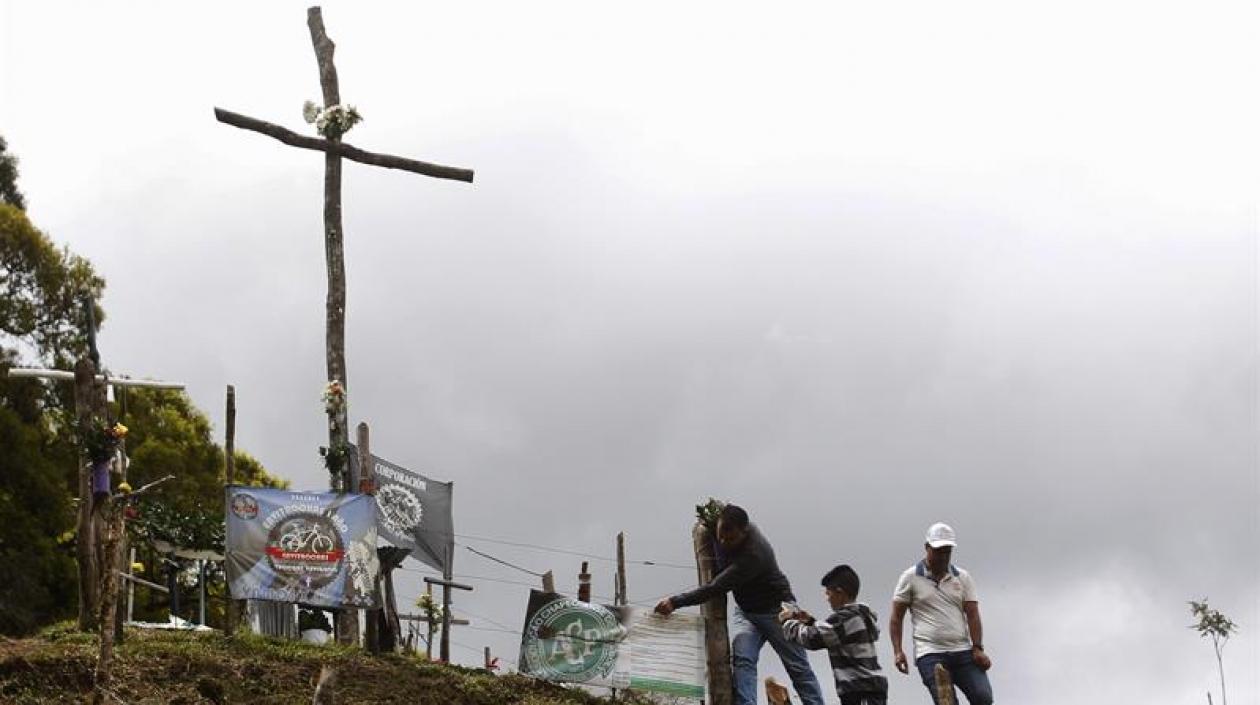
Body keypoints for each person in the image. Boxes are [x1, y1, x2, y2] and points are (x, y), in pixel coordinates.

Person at [655, 504, 826, 705]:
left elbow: (714, 588)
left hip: (777, 611)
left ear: (744, 532)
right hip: (746, 612)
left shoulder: (753, 555)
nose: (724, 542)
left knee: (797, 667)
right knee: (743, 660)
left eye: (731, 538)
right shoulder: (724, 525)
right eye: (720, 536)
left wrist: (675, 602)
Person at [889, 522, 994, 705]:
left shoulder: (962, 577)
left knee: (983, 696)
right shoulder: (910, 577)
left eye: (947, 551)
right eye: (938, 550)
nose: (943, 556)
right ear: (927, 548)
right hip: (930, 653)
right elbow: (897, 617)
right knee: (946, 701)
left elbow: (972, 614)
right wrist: (898, 651)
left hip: (962, 650)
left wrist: (977, 647)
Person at [780, 564, 888, 705]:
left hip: (861, 689)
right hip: (868, 688)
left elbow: (812, 639)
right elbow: (835, 635)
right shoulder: (860, 615)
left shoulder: (845, 618)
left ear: (840, 593)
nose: (827, 599)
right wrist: (811, 622)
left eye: (828, 594)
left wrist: (787, 622)